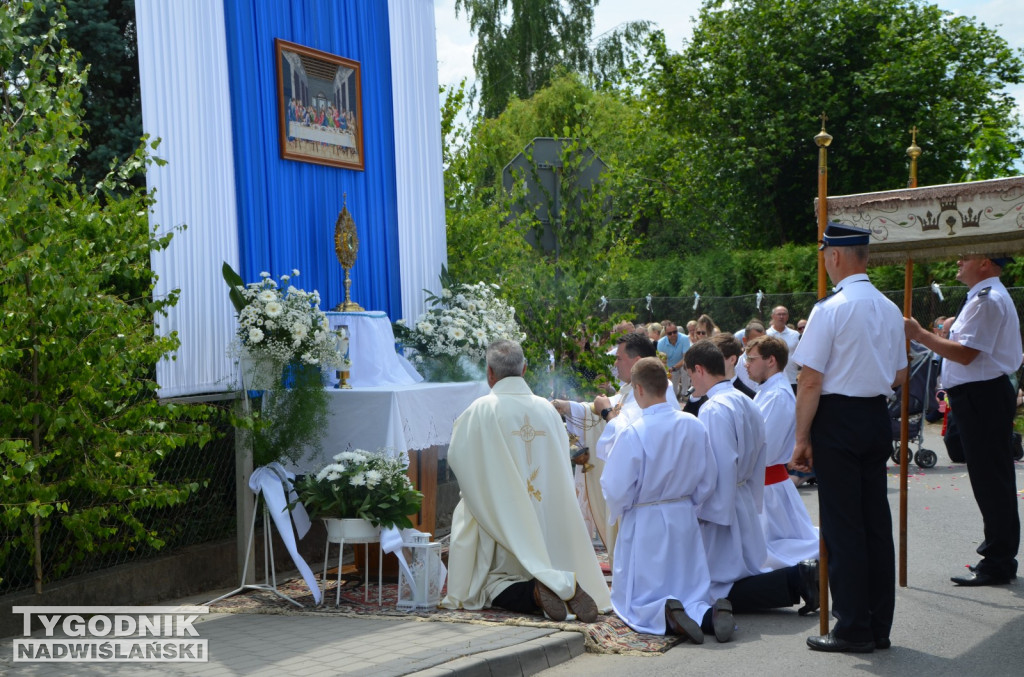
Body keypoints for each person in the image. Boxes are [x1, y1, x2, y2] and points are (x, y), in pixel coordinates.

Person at [791, 222, 907, 653]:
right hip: (875, 414)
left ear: (835, 256)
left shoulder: (830, 308)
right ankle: (877, 625)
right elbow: (899, 374)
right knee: (875, 524)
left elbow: (810, 381)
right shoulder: (889, 308)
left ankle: (853, 626)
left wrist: (801, 437)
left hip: (838, 418)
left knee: (844, 528)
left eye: (824, 254)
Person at [441, 340, 611, 621]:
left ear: (490, 373)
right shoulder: (547, 409)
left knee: (489, 584)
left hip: (502, 522)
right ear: (524, 369)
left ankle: (534, 592)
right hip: (548, 519)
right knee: (546, 560)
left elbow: (459, 460)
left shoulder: (480, 410)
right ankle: (562, 582)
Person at [905, 255, 1022, 587]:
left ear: (984, 263)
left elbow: (965, 353)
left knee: (991, 478)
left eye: (966, 257)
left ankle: (998, 560)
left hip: (982, 395)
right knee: (989, 476)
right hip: (979, 395)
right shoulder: (983, 296)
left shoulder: (987, 300)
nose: (957, 261)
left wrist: (919, 334)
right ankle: (998, 556)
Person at [602, 357, 733, 643]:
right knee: (690, 588)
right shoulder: (693, 424)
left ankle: (666, 615)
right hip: (683, 515)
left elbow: (615, 487)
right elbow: (708, 477)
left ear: (637, 389)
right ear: (667, 385)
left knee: (641, 599)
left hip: (646, 519)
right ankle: (709, 615)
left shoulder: (633, 431)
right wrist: (689, 505)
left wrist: (621, 510)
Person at [685, 341, 818, 619]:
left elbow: (719, 466)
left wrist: (703, 508)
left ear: (698, 369)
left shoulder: (714, 408)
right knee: (744, 569)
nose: (689, 382)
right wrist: (754, 498)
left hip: (724, 502)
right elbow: (760, 458)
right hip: (743, 494)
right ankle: (797, 579)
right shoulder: (745, 399)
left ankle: (798, 578)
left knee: (715, 585)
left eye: (689, 374)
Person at [552, 333, 679, 562]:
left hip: (647, 503)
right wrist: (568, 407)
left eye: (619, 358)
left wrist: (605, 413)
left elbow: (630, 436)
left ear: (637, 360)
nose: (615, 363)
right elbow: (608, 405)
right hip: (642, 502)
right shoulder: (631, 389)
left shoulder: (658, 391)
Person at [744, 335, 819, 568]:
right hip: (765, 485)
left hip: (769, 488)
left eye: (751, 359)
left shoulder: (777, 396)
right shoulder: (766, 390)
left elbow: (765, 448)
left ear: (771, 361)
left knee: (773, 550)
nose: (746, 364)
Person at [710, 333, 756, 398]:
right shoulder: (704, 392)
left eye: (715, 357)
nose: (709, 362)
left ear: (732, 359)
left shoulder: (749, 396)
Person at [767, 306, 801, 393]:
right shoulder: (766, 335)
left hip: (792, 379)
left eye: (784, 314)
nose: (781, 317)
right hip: (771, 380)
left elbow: (801, 355)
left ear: (787, 317)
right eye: (779, 314)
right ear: (773, 316)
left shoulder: (795, 335)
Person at [658, 321, 691, 401]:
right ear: (666, 334)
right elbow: (661, 361)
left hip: (680, 365)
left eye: (674, 332)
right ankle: (678, 391)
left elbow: (685, 358)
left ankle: (685, 393)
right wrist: (667, 371)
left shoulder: (685, 338)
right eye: (670, 333)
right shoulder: (661, 343)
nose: (673, 335)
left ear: (677, 331)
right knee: (673, 393)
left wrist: (674, 367)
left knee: (685, 367)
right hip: (670, 369)